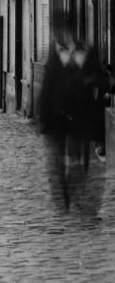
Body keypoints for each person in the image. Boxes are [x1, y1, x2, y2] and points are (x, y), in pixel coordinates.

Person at [38, 25, 103, 209]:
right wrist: (46, 118)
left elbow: (98, 77)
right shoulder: (55, 58)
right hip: (59, 117)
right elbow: (47, 90)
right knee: (60, 157)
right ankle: (65, 193)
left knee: (83, 153)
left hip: (82, 115)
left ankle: (79, 189)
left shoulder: (87, 54)